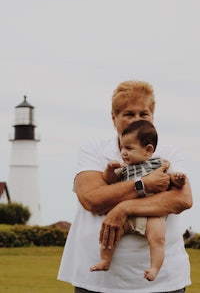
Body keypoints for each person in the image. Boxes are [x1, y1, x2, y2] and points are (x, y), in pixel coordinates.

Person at [58, 80, 192, 293]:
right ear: (114, 117)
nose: (136, 120)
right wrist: (144, 184)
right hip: (97, 283)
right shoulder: (94, 150)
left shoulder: (168, 153)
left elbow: (182, 199)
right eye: (128, 114)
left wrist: (123, 208)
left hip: (163, 283)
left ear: (153, 117)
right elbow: (92, 199)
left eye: (144, 114)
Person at [90, 120, 186, 281]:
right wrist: (109, 169)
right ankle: (105, 260)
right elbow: (110, 179)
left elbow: (171, 180)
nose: (123, 153)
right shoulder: (125, 168)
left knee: (157, 239)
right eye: (121, 148)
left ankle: (154, 268)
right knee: (112, 233)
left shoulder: (159, 164)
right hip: (128, 216)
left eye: (129, 148)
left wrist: (179, 180)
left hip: (152, 213)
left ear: (148, 150)